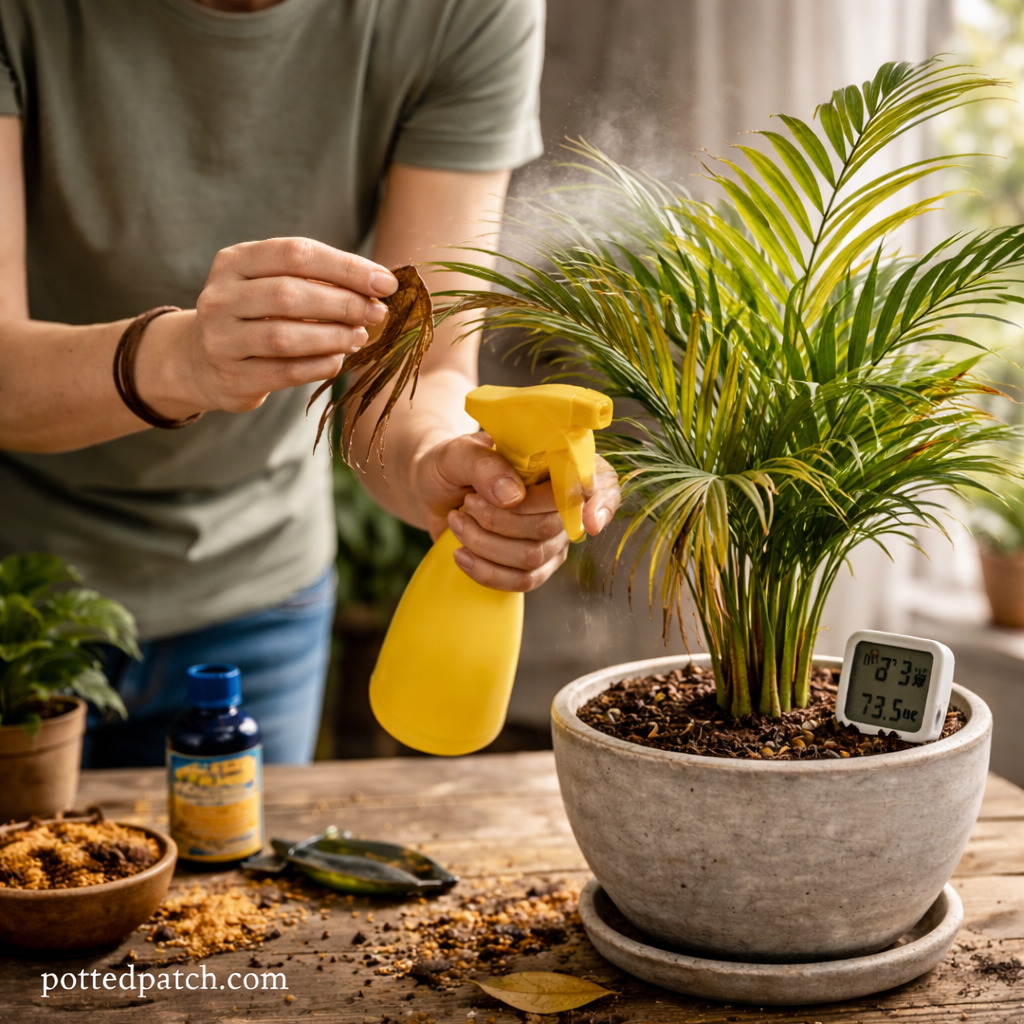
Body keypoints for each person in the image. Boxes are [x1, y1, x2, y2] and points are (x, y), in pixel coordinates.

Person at [0, 0, 620, 767]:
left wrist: (444, 464)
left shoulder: (467, 10)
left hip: (257, 597)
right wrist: (185, 359)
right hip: (17, 594)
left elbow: (421, 368)